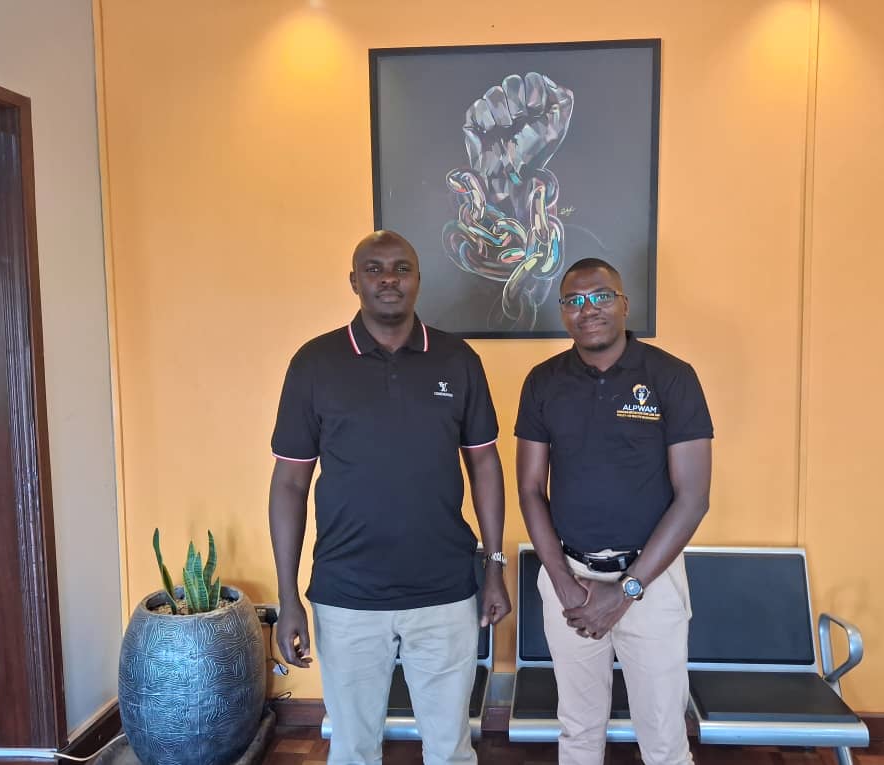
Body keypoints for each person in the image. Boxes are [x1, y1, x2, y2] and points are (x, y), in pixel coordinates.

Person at [269, 230, 511, 765]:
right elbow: (289, 483)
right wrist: (288, 598)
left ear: (418, 279)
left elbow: (485, 464)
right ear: (353, 281)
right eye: (374, 269)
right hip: (347, 595)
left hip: (445, 591)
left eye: (401, 268)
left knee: (451, 750)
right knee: (353, 751)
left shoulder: (457, 359)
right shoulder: (315, 363)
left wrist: (494, 566)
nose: (388, 279)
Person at [515, 257, 713, 765]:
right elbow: (531, 489)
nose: (589, 309)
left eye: (601, 296)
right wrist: (563, 582)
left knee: (665, 740)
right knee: (578, 730)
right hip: (571, 582)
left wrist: (627, 590)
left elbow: (693, 497)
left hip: (652, 582)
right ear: (563, 312)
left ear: (624, 304)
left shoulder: (671, 377)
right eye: (574, 301)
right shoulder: (542, 382)